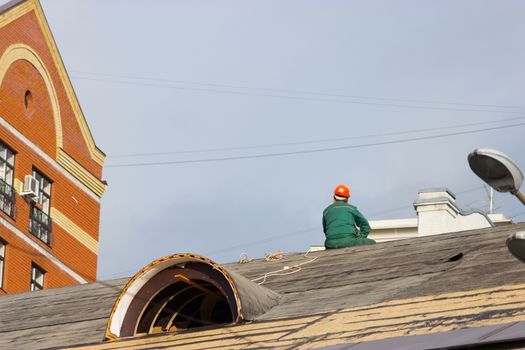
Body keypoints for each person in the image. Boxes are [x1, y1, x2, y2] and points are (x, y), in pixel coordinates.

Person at [322, 184, 375, 249]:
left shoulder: (326, 211)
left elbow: (325, 230)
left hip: (330, 244)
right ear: (347, 199)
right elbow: (366, 226)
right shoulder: (351, 209)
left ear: (334, 198)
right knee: (372, 242)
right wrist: (360, 238)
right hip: (348, 241)